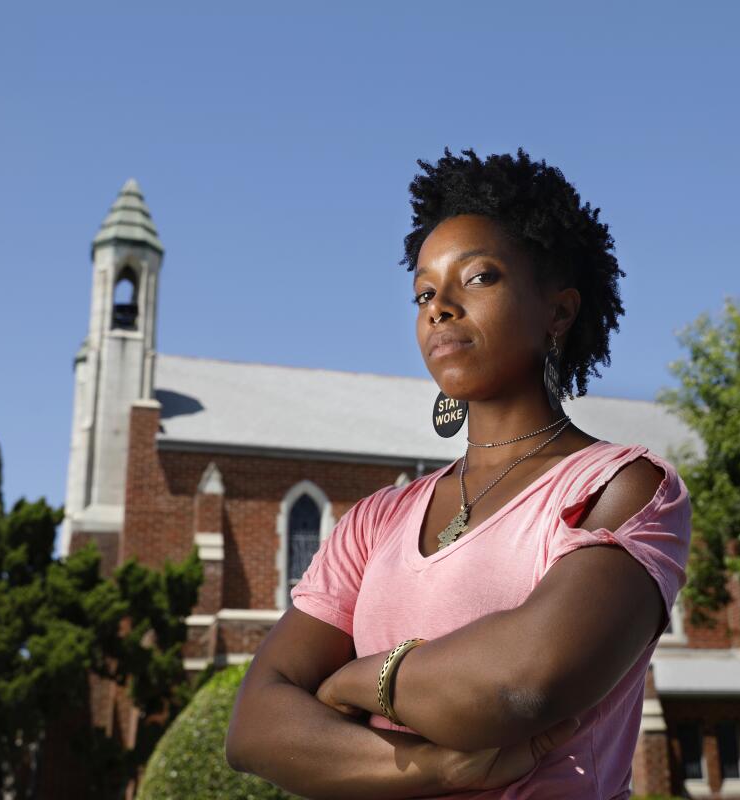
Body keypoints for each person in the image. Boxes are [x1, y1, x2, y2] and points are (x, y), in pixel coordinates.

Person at [225, 148, 691, 799]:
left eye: (478, 278)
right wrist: (441, 766)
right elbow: (253, 728)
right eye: (423, 291)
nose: (439, 306)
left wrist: (352, 681)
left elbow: (518, 684)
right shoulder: (376, 520)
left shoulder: (620, 488)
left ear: (558, 311)